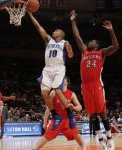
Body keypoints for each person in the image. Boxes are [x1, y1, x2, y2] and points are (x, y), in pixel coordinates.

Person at [70, 10, 119, 150]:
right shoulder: (84, 51)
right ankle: (101, 140)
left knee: (102, 113)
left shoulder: (101, 52)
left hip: (97, 85)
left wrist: (111, 31)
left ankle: (109, 137)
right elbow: (77, 36)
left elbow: (115, 47)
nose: (89, 42)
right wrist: (73, 21)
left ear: (96, 45)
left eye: (92, 41)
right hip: (85, 86)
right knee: (92, 115)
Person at [28, 12, 74, 119]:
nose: (53, 31)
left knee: (57, 90)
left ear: (60, 34)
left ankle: (69, 111)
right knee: (44, 93)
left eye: (55, 30)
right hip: (47, 68)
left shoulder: (65, 43)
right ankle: (54, 113)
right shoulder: (48, 39)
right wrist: (30, 14)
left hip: (59, 67)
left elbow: (71, 56)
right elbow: (38, 26)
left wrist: (69, 48)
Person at [33, 77, 86, 150]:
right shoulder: (53, 92)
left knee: (76, 133)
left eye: (63, 79)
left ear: (67, 82)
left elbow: (80, 107)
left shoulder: (71, 94)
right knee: (47, 136)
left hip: (67, 120)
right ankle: (34, 148)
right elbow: (48, 109)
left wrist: (73, 107)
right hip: (56, 120)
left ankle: (83, 147)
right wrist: (45, 122)